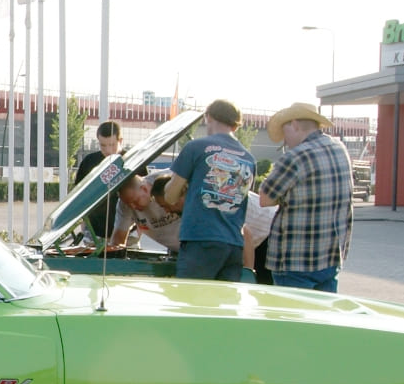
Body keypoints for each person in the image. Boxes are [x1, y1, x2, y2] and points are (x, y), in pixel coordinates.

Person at [259, 101, 354, 292]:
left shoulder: (296, 157)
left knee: (291, 318)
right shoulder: (339, 148)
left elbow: (265, 198)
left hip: (296, 261)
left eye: (285, 135)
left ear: (294, 124)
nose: (285, 142)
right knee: (321, 318)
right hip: (331, 256)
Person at [162, 99, 255, 281]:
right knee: (222, 306)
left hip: (200, 240)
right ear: (235, 125)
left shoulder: (195, 147)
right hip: (234, 245)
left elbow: (171, 196)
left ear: (208, 117)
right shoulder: (249, 158)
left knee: (192, 301)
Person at [109, 171, 182, 254]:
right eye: (128, 204)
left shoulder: (168, 180)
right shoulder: (124, 204)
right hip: (175, 251)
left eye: (135, 201)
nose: (133, 207)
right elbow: (118, 240)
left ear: (144, 189)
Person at [74, 120, 123, 241]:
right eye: (103, 145)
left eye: (112, 145)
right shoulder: (89, 162)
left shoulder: (133, 161)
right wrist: (83, 224)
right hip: (94, 231)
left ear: (120, 141)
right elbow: (78, 195)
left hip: (126, 232)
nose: (107, 150)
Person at [242, 190, 278, 284]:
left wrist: (248, 274)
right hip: (264, 228)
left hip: (268, 231)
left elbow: (245, 232)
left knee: (265, 289)